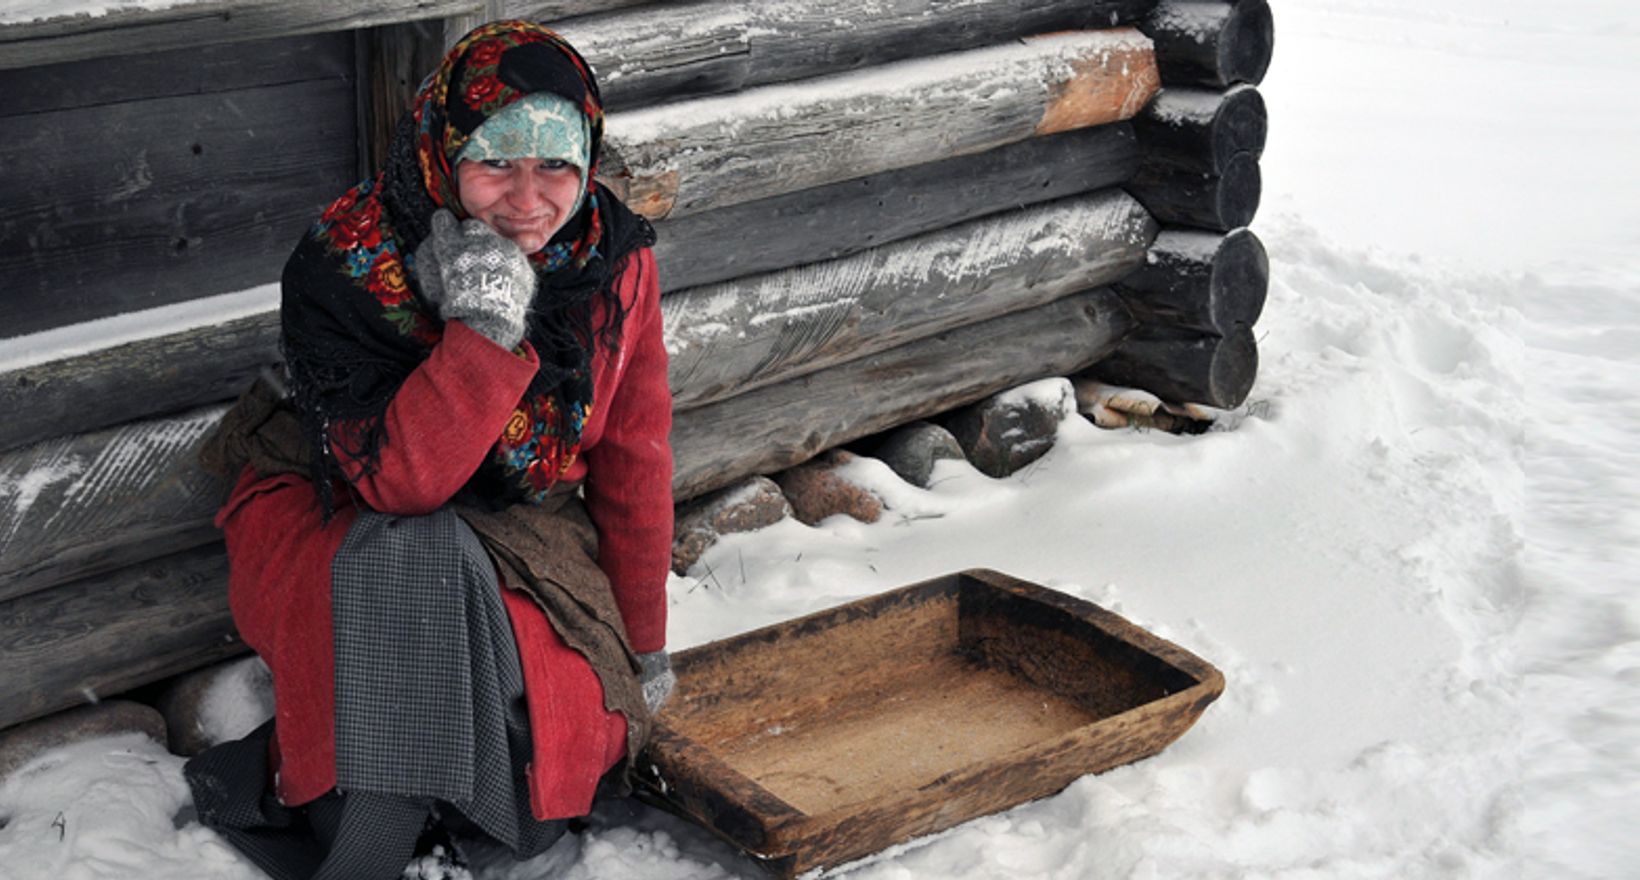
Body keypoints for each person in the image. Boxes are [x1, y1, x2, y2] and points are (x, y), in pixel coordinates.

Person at [184, 20, 674, 880]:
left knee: (543, 707)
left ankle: (447, 820)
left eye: (557, 164)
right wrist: (484, 326)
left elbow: (635, 453)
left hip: (524, 519)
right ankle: (381, 830)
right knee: (411, 563)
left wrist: (643, 640)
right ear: (446, 153)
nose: (529, 199)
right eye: (496, 163)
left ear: (589, 161)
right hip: (332, 498)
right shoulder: (349, 261)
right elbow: (402, 481)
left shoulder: (611, 264)